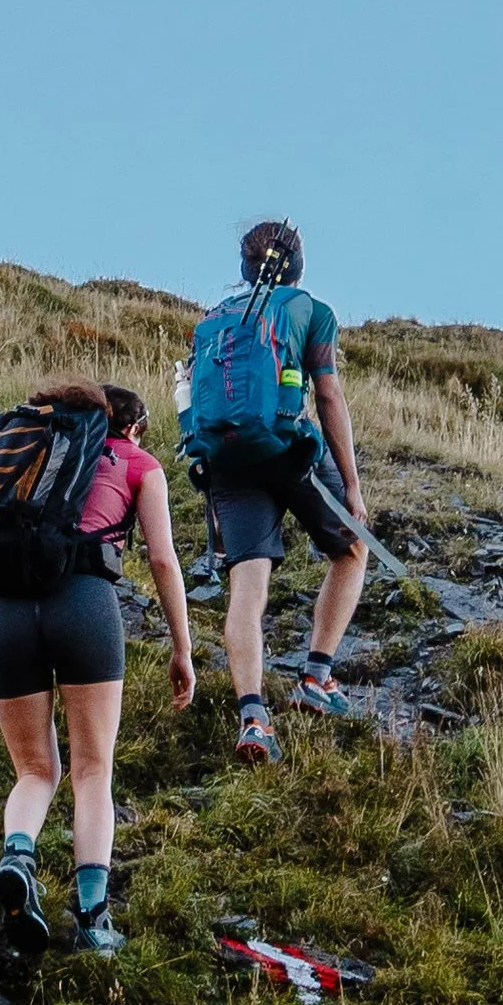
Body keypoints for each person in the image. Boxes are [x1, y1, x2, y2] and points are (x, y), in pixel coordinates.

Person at [0, 379, 194, 952]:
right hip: (84, 603)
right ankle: (91, 917)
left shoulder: (32, 454)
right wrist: (181, 647)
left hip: (5, 612)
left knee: (36, 771)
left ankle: (18, 856)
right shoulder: (140, 463)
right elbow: (161, 557)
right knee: (92, 770)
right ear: (132, 426)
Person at [183, 218, 368, 763]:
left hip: (226, 460)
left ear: (245, 266)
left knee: (247, 586)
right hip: (290, 450)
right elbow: (329, 397)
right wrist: (352, 486)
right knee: (352, 547)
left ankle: (254, 718)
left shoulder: (213, 320)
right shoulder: (312, 310)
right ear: (298, 265)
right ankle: (316, 677)